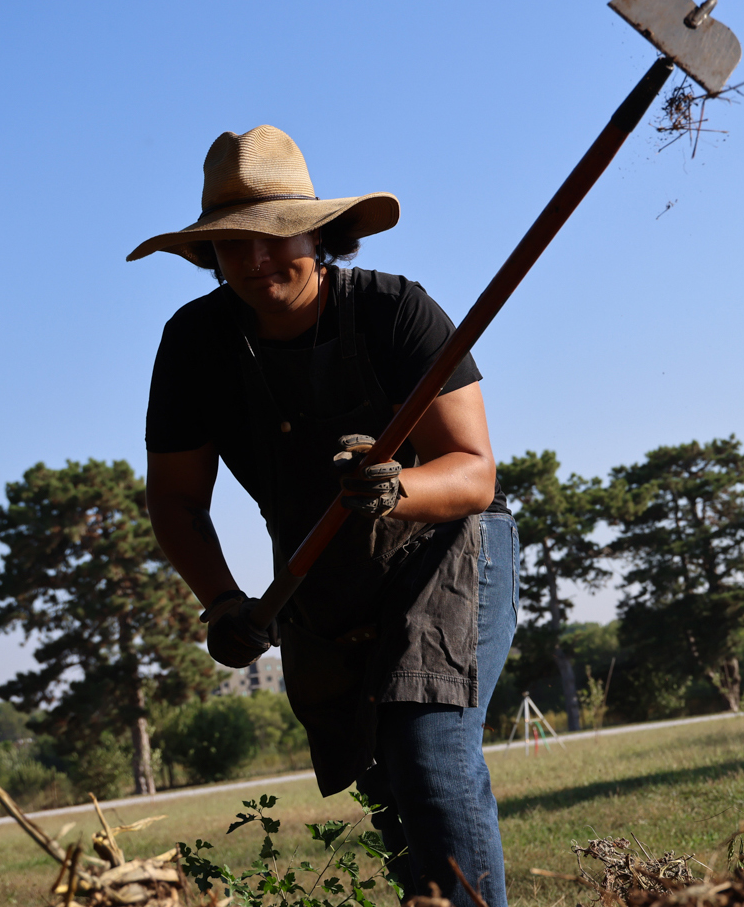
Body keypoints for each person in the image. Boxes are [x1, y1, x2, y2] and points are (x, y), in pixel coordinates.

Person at [130, 125, 517, 907]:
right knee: (387, 786)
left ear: (320, 232)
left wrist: (396, 488)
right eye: (235, 243)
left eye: (277, 236)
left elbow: (475, 473)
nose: (259, 259)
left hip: (448, 557)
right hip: (322, 579)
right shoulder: (194, 346)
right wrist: (223, 601)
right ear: (211, 252)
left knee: (427, 750)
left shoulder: (395, 311)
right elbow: (175, 501)